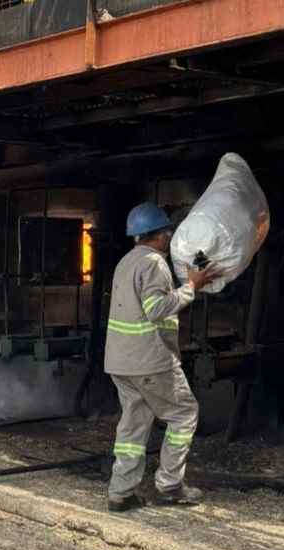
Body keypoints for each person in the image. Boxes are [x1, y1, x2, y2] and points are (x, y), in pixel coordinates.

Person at [104, 202, 219, 511]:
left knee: (133, 425)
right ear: (159, 235)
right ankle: (170, 485)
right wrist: (192, 286)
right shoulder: (154, 263)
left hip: (120, 361)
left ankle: (121, 492)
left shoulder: (127, 261)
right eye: (167, 231)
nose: (170, 236)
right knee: (184, 414)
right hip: (149, 361)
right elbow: (157, 309)